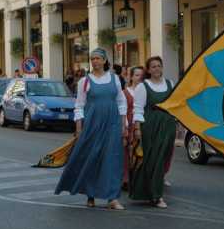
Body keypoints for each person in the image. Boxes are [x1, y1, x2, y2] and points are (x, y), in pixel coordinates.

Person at [55, 48, 127, 210]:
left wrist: (124, 125)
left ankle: (112, 199)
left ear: (104, 61)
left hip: (112, 123)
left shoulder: (115, 79)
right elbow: (79, 106)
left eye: (97, 58)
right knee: (91, 158)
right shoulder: (84, 82)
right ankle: (90, 195)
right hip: (92, 124)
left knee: (112, 159)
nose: (94, 61)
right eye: (92, 58)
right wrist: (79, 127)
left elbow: (121, 102)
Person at [130, 56, 175, 209]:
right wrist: (137, 128)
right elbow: (138, 109)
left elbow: (175, 105)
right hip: (150, 126)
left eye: (159, 66)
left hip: (168, 125)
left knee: (162, 160)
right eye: (153, 67)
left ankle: (149, 192)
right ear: (148, 70)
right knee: (152, 159)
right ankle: (157, 196)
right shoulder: (143, 86)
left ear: (162, 67)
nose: (157, 69)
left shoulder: (170, 84)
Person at [122, 66, 144, 190]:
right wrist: (125, 128)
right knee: (128, 153)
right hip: (130, 124)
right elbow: (123, 112)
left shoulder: (146, 90)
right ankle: (126, 179)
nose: (139, 77)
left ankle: (139, 179)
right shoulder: (125, 92)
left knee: (140, 153)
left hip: (141, 124)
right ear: (131, 77)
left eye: (141, 75)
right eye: (136, 75)